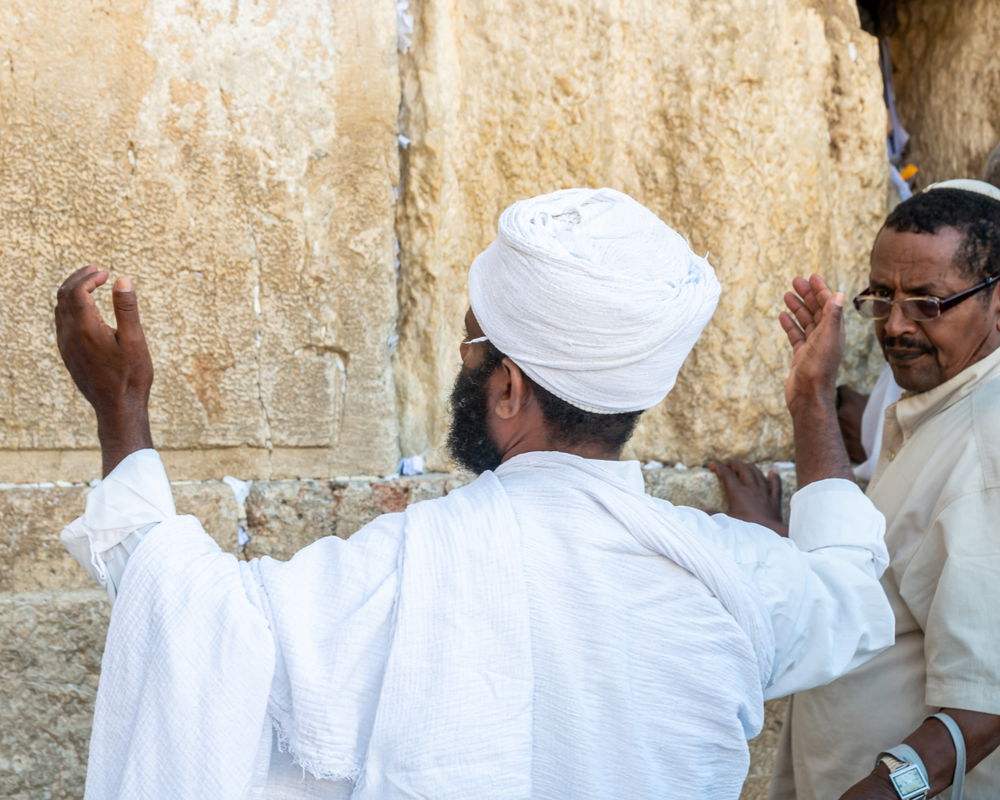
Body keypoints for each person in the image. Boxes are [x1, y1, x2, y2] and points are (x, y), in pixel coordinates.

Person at [55, 187, 894, 800]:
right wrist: (810, 403)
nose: (463, 367)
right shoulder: (732, 577)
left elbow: (191, 617)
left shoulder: (401, 570)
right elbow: (853, 591)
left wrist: (121, 412)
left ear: (506, 390)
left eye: (469, 350)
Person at [716, 181, 1000, 799]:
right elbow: (869, 586)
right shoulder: (933, 411)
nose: (895, 326)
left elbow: (984, 706)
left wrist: (876, 790)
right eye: (883, 297)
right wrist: (809, 396)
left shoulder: (986, 449)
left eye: (928, 302)